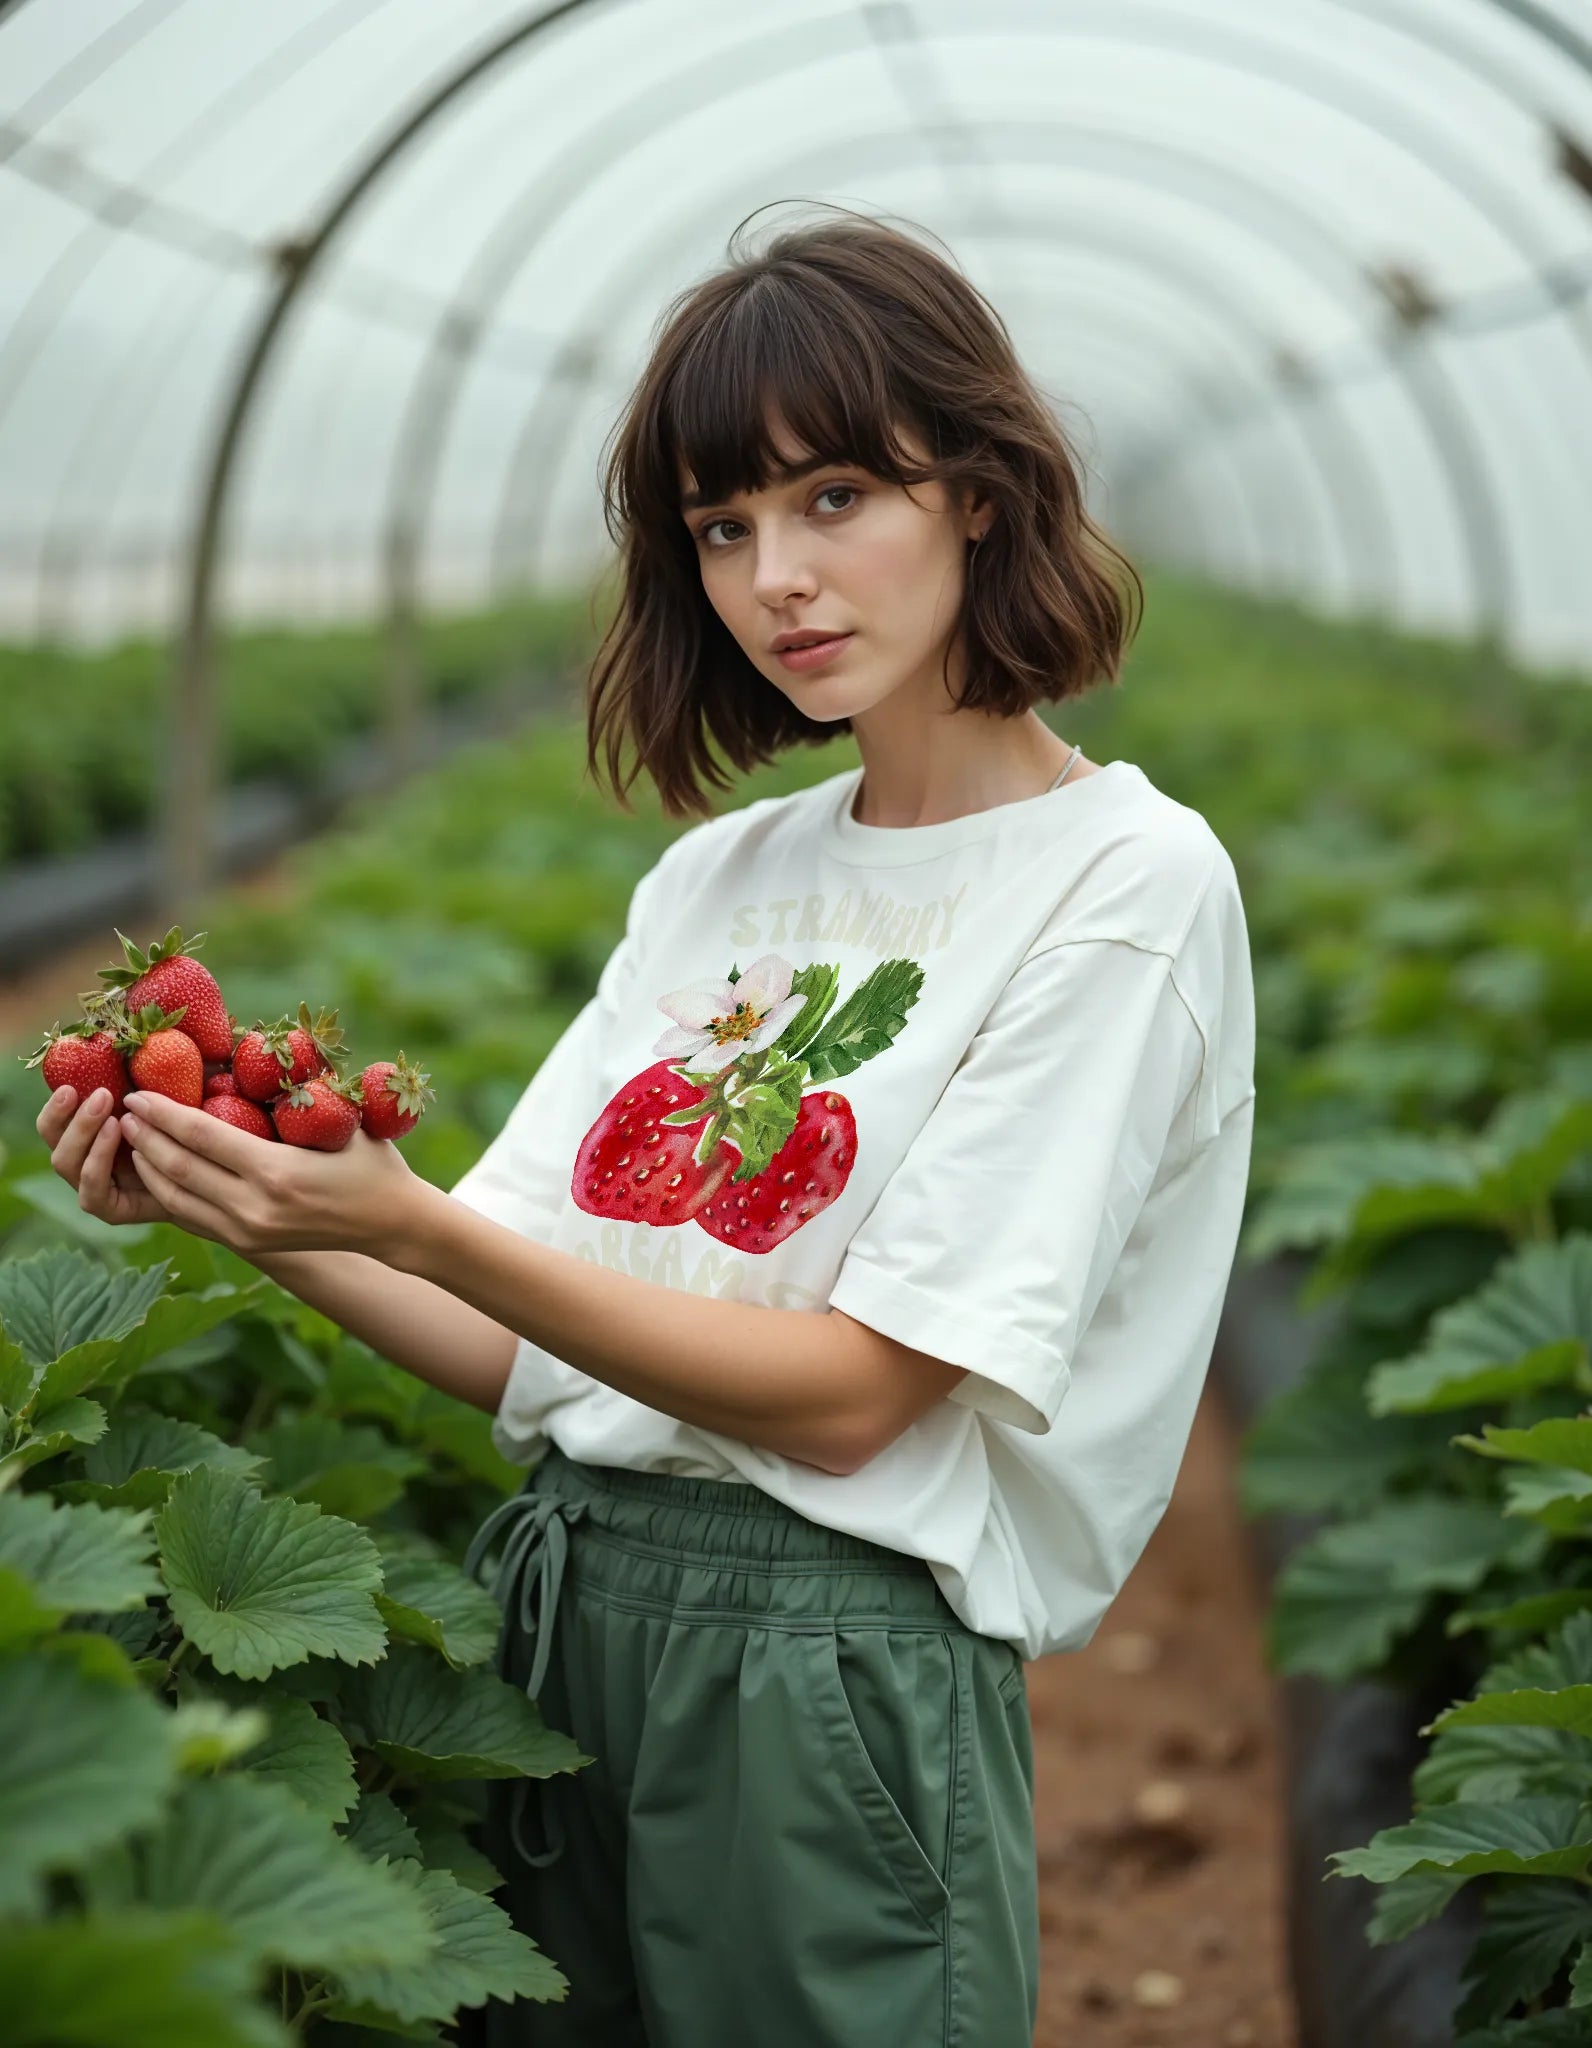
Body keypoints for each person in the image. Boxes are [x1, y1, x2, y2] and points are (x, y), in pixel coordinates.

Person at [39, 208, 1255, 2048]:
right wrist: (267, 1211)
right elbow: (507, 1334)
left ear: (983, 492)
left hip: (832, 1679)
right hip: (564, 1613)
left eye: (834, 494)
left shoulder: (1123, 881)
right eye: (722, 527)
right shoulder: (720, 880)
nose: (778, 575)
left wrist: (417, 1223)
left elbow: (857, 1396)